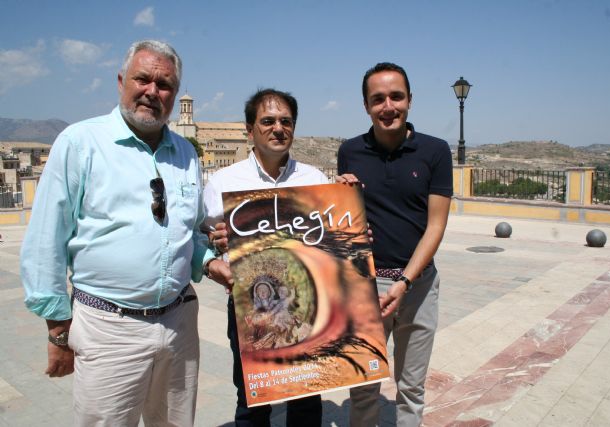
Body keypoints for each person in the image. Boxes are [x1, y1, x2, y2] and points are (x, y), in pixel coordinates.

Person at [20, 40, 215, 426]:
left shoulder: (186, 153)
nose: (152, 92)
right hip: (110, 329)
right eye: (143, 79)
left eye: (165, 85)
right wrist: (58, 330)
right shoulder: (80, 144)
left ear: (175, 96)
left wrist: (209, 261)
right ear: (121, 80)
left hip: (178, 325)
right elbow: (46, 241)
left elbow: (191, 233)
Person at [336, 62, 453, 426]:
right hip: (365, 285)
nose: (388, 106)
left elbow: (436, 226)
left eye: (396, 97)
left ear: (410, 101)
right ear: (366, 105)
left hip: (418, 287)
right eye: (378, 99)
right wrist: (339, 196)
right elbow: (345, 220)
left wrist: (404, 282)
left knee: (412, 388)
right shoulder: (350, 151)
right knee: (363, 386)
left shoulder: (435, 151)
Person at [203, 88, 327, 426]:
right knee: (252, 397)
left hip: (302, 308)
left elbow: (329, 243)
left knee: (306, 395)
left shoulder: (315, 180)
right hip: (248, 311)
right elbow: (204, 236)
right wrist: (216, 245)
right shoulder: (223, 182)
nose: (278, 128)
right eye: (268, 121)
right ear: (250, 129)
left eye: (286, 121)